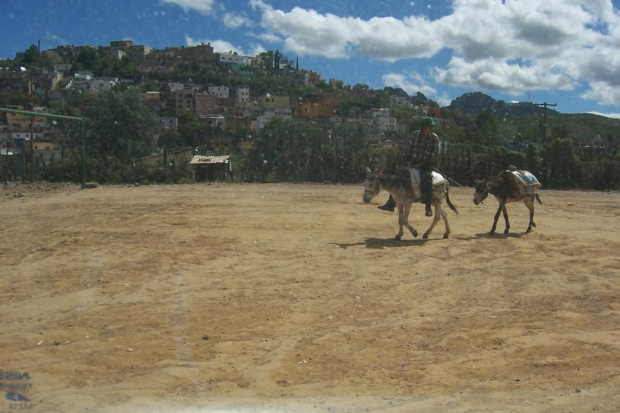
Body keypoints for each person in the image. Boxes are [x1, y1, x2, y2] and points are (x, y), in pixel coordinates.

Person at [377, 116, 440, 217]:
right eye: (428, 127)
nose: (430, 129)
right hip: (413, 162)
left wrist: (424, 163)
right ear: (423, 127)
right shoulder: (415, 135)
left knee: (427, 178)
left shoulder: (434, 138)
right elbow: (410, 150)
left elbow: (435, 155)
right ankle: (391, 203)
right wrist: (407, 161)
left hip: (426, 164)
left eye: (430, 127)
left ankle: (428, 205)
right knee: (398, 176)